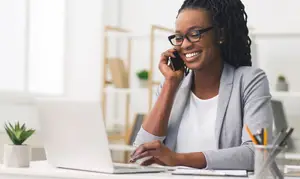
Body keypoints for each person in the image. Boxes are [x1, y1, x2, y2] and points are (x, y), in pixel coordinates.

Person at [130, 0, 273, 170]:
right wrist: (170, 83)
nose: (185, 44)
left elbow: (257, 153)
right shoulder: (172, 86)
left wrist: (177, 159)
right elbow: (141, 155)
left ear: (220, 35)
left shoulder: (249, 80)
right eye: (179, 37)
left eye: (195, 33)